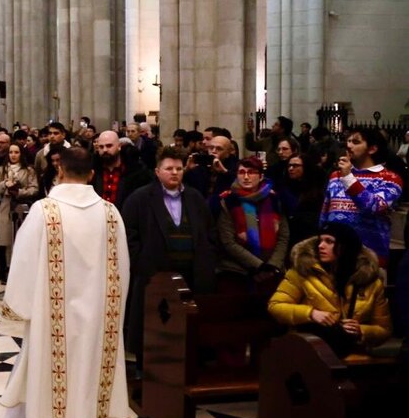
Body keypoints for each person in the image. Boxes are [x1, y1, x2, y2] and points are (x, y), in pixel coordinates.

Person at [0, 147, 130, 418]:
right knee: (87, 373)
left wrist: (20, 307)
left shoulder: (45, 211)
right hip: (97, 314)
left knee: (42, 364)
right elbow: (123, 268)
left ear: (58, 172)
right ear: (92, 175)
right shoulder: (111, 213)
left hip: (50, 313)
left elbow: (24, 260)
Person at [121, 147, 216, 374]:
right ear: (157, 171)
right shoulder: (140, 198)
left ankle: (183, 375)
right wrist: (142, 263)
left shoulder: (194, 198)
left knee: (186, 330)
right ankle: (149, 376)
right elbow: (128, 235)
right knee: (152, 328)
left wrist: (207, 259)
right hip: (154, 276)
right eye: (169, 169)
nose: (174, 173)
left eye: (179, 168)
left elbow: (209, 233)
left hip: (191, 276)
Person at [268, 222, 391, 355]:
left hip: (352, 351)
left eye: (329, 241)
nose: (321, 246)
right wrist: (311, 313)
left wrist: (361, 330)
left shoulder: (370, 281)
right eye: (320, 241)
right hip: (309, 349)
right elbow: (275, 306)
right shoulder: (302, 272)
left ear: (345, 247)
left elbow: (384, 329)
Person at [320, 128, 403, 269]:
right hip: (335, 257)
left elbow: (374, 207)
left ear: (372, 149)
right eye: (348, 141)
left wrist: (348, 177)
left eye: (356, 142)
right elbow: (325, 212)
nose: (349, 146)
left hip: (368, 258)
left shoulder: (390, 179)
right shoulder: (335, 176)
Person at [214, 157, 289, 295]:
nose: (246, 177)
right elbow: (228, 241)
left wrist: (272, 265)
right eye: (241, 172)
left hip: (272, 266)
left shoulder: (274, 199)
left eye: (251, 172)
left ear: (261, 176)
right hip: (236, 269)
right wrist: (259, 265)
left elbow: (283, 236)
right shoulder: (229, 201)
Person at [0, 143, 39, 282]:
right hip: (6, 206)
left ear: (21, 154)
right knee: (6, 239)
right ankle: (6, 271)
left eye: (16, 152)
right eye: (11, 152)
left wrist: (19, 191)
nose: (13, 155)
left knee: (21, 238)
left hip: (21, 207)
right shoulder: (2, 169)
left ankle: (22, 271)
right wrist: (4, 184)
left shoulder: (29, 170)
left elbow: (34, 188)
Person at [91, 131, 152, 208]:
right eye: (101, 147)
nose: (105, 150)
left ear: (119, 146)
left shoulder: (136, 171)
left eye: (109, 146)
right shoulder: (92, 171)